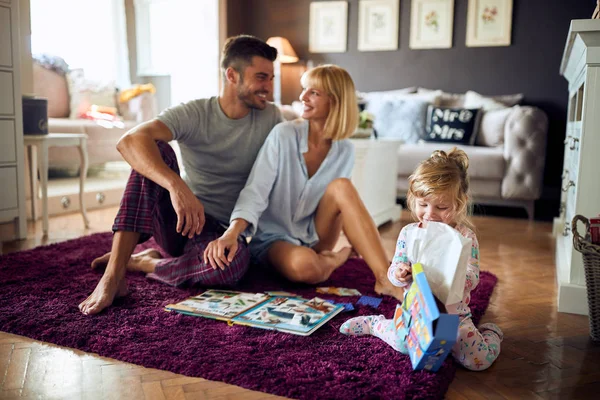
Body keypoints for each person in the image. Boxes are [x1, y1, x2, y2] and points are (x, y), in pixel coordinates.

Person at [78, 35, 282, 315]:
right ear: (232, 75)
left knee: (231, 268)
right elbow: (129, 141)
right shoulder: (196, 113)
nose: (269, 88)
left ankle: (146, 263)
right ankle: (113, 276)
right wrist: (176, 186)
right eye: (261, 77)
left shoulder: (272, 118)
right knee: (154, 149)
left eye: (271, 78)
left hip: (223, 231)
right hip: (183, 221)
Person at [203, 65, 402, 299]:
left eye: (314, 93)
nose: (302, 97)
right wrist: (232, 232)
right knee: (305, 266)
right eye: (304, 89)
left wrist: (359, 240)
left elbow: (342, 206)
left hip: (315, 236)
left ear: (336, 101)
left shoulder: (345, 150)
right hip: (273, 240)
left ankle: (384, 278)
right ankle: (336, 259)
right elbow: (256, 190)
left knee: (343, 186)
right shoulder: (283, 135)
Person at [339, 148, 503, 371]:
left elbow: (473, 277)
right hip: (416, 314)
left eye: (441, 207)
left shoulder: (465, 238)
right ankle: (376, 324)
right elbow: (394, 268)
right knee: (402, 344)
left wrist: (455, 278)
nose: (429, 214)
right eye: (423, 204)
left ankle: (491, 333)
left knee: (478, 361)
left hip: (454, 318)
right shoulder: (409, 233)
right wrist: (399, 273)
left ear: (460, 203)